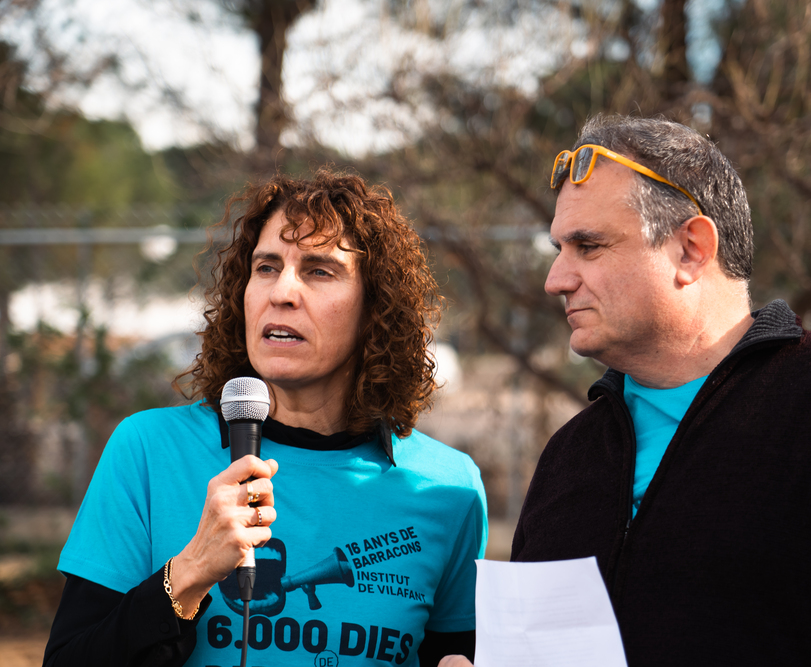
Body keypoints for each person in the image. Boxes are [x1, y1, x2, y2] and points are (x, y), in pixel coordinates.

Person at [446, 114, 811, 666]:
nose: (556, 280)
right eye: (559, 250)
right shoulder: (567, 457)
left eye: (588, 246)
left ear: (691, 249)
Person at [44, 168, 487, 667]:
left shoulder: (450, 490)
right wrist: (188, 572)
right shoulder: (148, 452)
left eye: (319, 271)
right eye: (267, 267)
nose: (282, 292)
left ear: (375, 308)